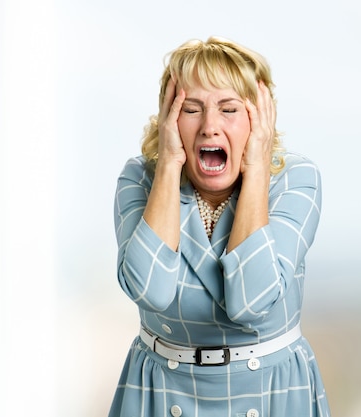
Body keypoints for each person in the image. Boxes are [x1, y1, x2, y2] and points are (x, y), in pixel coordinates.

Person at [109, 36, 331, 417]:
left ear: (258, 119)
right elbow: (150, 291)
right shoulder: (141, 178)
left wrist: (256, 168)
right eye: (191, 109)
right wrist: (168, 165)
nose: (210, 126)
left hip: (271, 392)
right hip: (161, 390)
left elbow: (252, 302)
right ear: (169, 119)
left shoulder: (295, 180)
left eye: (229, 109)